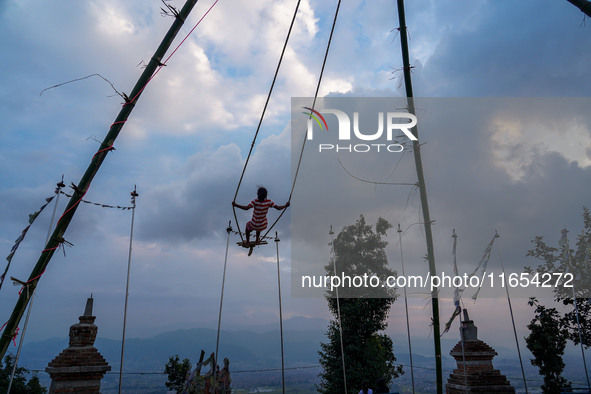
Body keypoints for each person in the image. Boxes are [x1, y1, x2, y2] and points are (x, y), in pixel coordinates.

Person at [232, 186, 289, 255]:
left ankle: (247, 242)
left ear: (257, 194)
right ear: (266, 195)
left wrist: (236, 205)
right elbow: (278, 208)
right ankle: (256, 240)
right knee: (259, 227)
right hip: (263, 225)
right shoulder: (269, 202)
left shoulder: (255, 201)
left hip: (254, 224)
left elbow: (246, 208)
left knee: (248, 226)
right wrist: (285, 205)